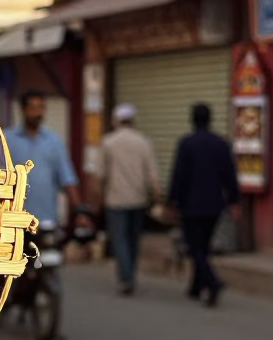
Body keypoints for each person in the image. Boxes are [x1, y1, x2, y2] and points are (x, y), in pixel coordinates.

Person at [167, 103, 240, 307]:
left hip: (191, 205)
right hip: (214, 205)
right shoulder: (221, 144)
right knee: (203, 246)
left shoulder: (186, 143)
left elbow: (178, 175)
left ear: (192, 119)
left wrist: (172, 202)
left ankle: (212, 282)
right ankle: (195, 286)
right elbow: (230, 175)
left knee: (195, 248)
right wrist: (234, 201)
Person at [101, 103, 160, 295]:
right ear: (132, 121)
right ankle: (130, 275)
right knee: (133, 240)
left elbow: (101, 174)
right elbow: (152, 174)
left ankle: (125, 278)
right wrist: (157, 199)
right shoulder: (143, 142)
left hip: (115, 199)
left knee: (119, 240)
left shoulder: (108, 142)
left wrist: (96, 198)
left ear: (116, 120)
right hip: (138, 199)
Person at [3, 91, 81, 230]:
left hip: (46, 220)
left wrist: (79, 212)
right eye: (33, 108)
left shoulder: (53, 141)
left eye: (41, 108)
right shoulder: (8, 140)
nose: (37, 113)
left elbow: (67, 178)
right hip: (14, 220)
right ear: (23, 110)